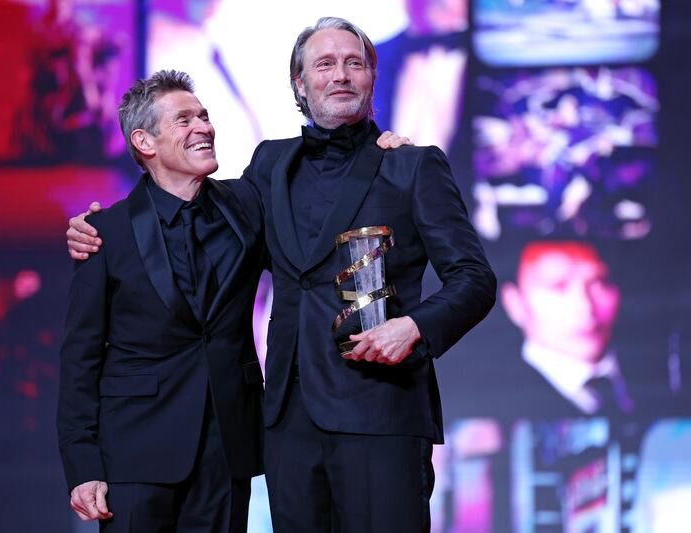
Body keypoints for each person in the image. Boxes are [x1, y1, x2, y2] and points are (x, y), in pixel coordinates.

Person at [68, 18, 495, 532]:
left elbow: (474, 278)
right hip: (289, 426)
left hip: (380, 415)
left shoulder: (412, 167)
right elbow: (186, 207)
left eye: (353, 63)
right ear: (300, 83)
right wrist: (98, 227)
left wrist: (417, 327)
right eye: (324, 64)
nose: (340, 75)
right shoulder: (270, 165)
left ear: (371, 79)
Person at [56, 70, 268, 533]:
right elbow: (80, 357)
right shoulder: (104, 233)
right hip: (135, 454)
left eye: (205, 116)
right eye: (184, 119)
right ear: (144, 142)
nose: (204, 128)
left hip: (226, 447)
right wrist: (82, 463)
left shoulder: (247, 207)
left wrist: (384, 143)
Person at [500, 240, 635, 416]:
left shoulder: (662, 371)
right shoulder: (494, 395)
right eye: (558, 286)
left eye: (598, 283)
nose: (585, 307)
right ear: (515, 302)